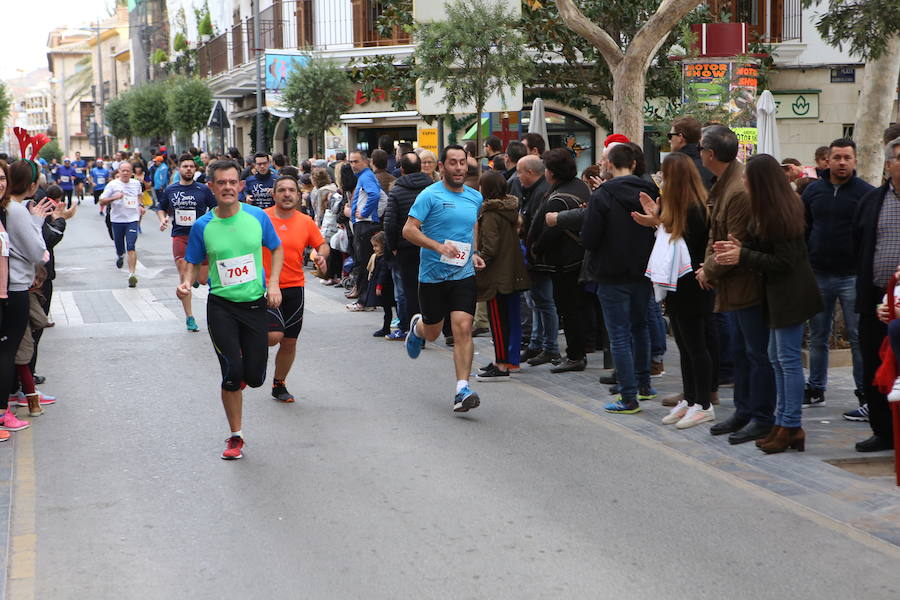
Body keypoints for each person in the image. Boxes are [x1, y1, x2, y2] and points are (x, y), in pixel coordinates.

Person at [713, 154, 822, 453]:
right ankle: (784, 423)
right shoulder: (770, 209)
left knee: (786, 362)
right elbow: (769, 252)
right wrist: (741, 248)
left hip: (790, 295)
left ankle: (789, 424)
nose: (744, 181)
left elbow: (785, 261)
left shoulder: (779, 211)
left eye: (749, 177)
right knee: (777, 359)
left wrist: (743, 255)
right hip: (780, 295)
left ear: (761, 182)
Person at [178, 160, 284, 460]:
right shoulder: (203, 225)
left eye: (232, 182)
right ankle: (235, 436)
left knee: (255, 376)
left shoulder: (257, 217)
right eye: (220, 183)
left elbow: (276, 248)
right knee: (231, 373)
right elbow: (193, 262)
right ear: (212, 187)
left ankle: (247, 371)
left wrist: (273, 284)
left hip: (254, 305)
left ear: (240, 186)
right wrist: (186, 283)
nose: (227, 187)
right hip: (221, 307)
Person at [699, 125, 777, 445]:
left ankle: (761, 416)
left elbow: (735, 242)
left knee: (756, 354)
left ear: (710, 153)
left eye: (701, 149)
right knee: (743, 352)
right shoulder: (725, 183)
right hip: (731, 284)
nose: (699, 154)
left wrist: (708, 271)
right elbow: (714, 236)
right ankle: (744, 410)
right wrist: (707, 267)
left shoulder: (738, 188)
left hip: (746, 284)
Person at [402, 145, 486, 412]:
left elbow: (471, 225)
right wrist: (437, 247)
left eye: (463, 163)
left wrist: (473, 252)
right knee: (434, 331)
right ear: (442, 167)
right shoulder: (429, 195)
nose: (459, 168)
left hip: (463, 274)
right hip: (432, 276)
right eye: (453, 163)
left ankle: (462, 388)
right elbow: (408, 230)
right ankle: (418, 328)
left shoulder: (474, 197)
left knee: (462, 327)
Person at [634, 152, 715, 428]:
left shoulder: (694, 208)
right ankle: (691, 399)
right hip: (681, 285)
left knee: (695, 345)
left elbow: (681, 242)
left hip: (693, 284)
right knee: (683, 344)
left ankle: (703, 403)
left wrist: (657, 220)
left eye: (665, 175)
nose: (661, 181)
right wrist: (657, 219)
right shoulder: (682, 206)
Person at [578, 143, 658, 414]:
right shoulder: (650, 190)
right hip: (643, 270)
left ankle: (628, 396)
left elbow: (589, 238)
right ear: (634, 164)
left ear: (609, 165)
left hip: (611, 273)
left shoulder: (603, 195)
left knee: (620, 336)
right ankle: (644, 385)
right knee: (641, 327)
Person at [802, 138, 874, 415]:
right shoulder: (813, 192)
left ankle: (865, 395)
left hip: (852, 277)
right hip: (818, 274)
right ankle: (816, 389)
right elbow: (804, 227)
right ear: (827, 160)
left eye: (847, 157)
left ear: (855, 161)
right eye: (837, 157)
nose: (842, 162)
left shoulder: (866, 193)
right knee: (818, 335)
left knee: (857, 336)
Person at [850, 135, 900, 453]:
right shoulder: (872, 201)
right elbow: (859, 245)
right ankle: (882, 430)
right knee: (874, 365)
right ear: (889, 164)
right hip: (875, 299)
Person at [262, 175, 328, 403]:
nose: (287, 194)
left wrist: (320, 256)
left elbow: (322, 244)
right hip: (264, 287)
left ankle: (279, 384)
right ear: (274, 194)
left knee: (289, 341)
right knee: (273, 336)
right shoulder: (262, 218)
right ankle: (248, 344)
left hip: (294, 287)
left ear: (299, 195)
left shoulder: (305, 221)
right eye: (282, 190)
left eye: (292, 190)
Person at [1, 159, 54, 434]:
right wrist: (37, 222)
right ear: (32, 184)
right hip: (16, 285)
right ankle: (9, 406)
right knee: (13, 349)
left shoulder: (12, 208)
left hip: (13, 283)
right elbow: (38, 252)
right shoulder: (16, 210)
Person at [531, 148, 592, 374]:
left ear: (552, 172)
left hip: (566, 261)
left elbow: (551, 232)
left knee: (568, 308)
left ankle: (575, 355)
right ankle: (580, 350)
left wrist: (536, 248)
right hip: (579, 256)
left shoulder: (560, 197)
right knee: (576, 307)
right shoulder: (580, 185)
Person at [474, 171, 530, 380]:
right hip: (513, 272)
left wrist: (478, 261)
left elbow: (490, 247)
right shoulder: (511, 210)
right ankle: (508, 360)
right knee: (511, 319)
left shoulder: (490, 214)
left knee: (498, 321)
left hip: (497, 275)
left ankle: (501, 363)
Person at [158, 154, 218, 331]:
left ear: (195, 169)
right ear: (179, 169)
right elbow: (161, 208)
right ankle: (190, 317)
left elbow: (215, 209)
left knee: (203, 279)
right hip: (180, 236)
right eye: (185, 166)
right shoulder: (171, 190)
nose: (189, 169)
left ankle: (196, 276)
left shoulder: (203, 190)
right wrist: (162, 219)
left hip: (201, 237)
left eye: (192, 166)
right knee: (185, 278)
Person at [383, 151, 433, 340]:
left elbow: (390, 222)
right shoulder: (432, 188)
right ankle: (431, 324)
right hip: (430, 244)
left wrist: (392, 245)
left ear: (401, 169)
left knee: (410, 290)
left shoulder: (396, 190)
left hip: (406, 247)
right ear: (420, 167)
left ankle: (413, 329)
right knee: (429, 287)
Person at [345, 150, 383, 310]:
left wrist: (365, 212)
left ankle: (364, 301)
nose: (353, 165)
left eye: (356, 161)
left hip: (365, 225)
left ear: (365, 161)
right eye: (351, 162)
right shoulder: (364, 176)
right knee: (364, 263)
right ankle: (366, 300)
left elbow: (374, 195)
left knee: (365, 263)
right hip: (364, 224)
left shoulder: (366, 176)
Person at [99, 162, 145, 288]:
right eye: (123, 170)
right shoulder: (112, 185)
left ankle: (132, 275)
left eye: (128, 170)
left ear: (132, 172)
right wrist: (114, 198)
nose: (125, 173)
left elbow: (139, 196)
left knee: (131, 246)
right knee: (120, 246)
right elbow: (101, 200)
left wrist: (141, 206)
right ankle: (120, 255)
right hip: (117, 220)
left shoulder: (136, 184)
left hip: (132, 219)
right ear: (118, 172)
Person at [668, 116, 715, 190]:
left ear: (680, 137)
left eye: (670, 136)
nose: (669, 140)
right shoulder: (709, 161)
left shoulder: (677, 164)